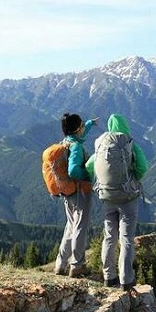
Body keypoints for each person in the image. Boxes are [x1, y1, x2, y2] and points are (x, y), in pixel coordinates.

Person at [86, 113, 148, 293]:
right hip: (128, 198)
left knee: (109, 237)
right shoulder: (130, 144)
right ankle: (126, 281)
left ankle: (108, 277)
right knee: (126, 239)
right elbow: (143, 167)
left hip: (107, 197)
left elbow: (90, 166)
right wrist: (133, 179)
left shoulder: (102, 145)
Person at [54, 112, 98, 278]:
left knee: (71, 226)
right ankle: (77, 265)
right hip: (80, 190)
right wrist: (86, 173)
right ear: (76, 129)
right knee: (80, 226)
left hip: (68, 191)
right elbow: (73, 169)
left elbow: (78, 135)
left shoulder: (66, 142)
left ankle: (60, 264)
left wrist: (89, 124)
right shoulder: (77, 147)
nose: (82, 129)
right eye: (81, 126)